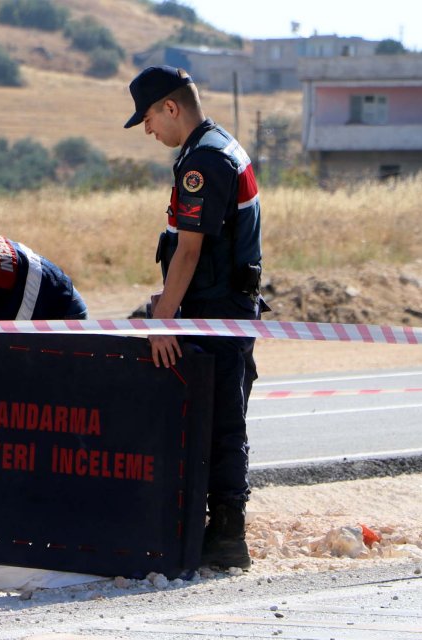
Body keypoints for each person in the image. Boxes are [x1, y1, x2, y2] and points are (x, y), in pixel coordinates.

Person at [124, 65, 266, 570]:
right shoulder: (216, 145)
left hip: (218, 310)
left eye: (147, 118)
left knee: (223, 419)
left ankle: (228, 533)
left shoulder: (204, 160)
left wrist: (163, 320)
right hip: (218, 306)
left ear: (170, 107)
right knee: (210, 415)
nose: (147, 130)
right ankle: (205, 524)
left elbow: (188, 251)